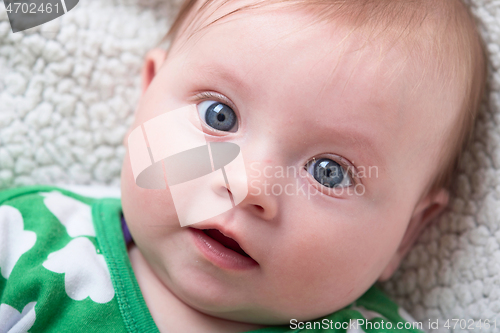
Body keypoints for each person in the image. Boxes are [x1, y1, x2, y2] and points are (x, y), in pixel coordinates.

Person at [0, 0, 486, 332]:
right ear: (146, 94)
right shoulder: (23, 240)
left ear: (408, 231)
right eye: (220, 116)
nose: (248, 184)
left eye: (328, 171)